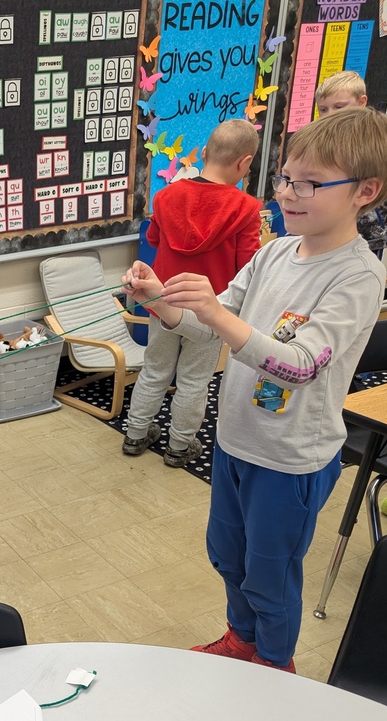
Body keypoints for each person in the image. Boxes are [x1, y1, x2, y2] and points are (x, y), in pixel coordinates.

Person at [122, 107, 387, 673]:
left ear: (366, 191)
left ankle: (275, 665)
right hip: (235, 441)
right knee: (228, 557)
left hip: (289, 459)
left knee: (270, 575)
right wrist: (159, 300)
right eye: (284, 178)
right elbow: (209, 327)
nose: (286, 194)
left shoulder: (357, 275)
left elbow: (300, 365)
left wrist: (215, 312)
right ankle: (241, 642)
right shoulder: (274, 253)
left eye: (309, 184)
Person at [122, 120, 263, 467]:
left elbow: (154, 239)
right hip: (209, 310)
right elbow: (249, 265)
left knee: (154, 370)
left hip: (164, 301)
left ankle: (135, 434)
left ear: (204, 153)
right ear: (245, 163)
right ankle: (179, 446)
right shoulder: (246, 208)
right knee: (194, 381)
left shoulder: (166, 195)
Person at [315, 70, 387, 258]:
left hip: (369, 234)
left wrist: (374, 152)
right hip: (328, 230)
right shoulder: (319, 138)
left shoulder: (377, 133)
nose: (330, 115)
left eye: (339, 107)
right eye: (323, 109)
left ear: (361, 103)